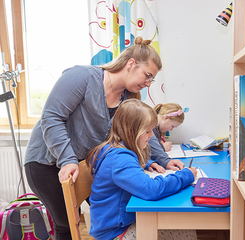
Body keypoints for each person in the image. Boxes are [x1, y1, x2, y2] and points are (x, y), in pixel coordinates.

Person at [24, 36, 182, 239]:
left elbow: (144, 130)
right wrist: (68, 160)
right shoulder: (82, 77)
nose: (149, 83)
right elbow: (51, 117)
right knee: (65, 224)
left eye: (152, 79)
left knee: (108, 212)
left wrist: (162, 161)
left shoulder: (129, 97)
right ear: (131, 64)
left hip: (84, 163)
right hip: (46, 162)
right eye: (148, 75)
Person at [86, 99, 197, 240]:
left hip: (118, 225)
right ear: (131, 131)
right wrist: (186, 175)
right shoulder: (120, 159)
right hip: (115, 233)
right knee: (183, 228)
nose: (151, 136)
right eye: (147, 131)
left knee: (179, 223)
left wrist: (146, 163)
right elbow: (152, 189)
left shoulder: (115, 148)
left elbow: (125, 167)